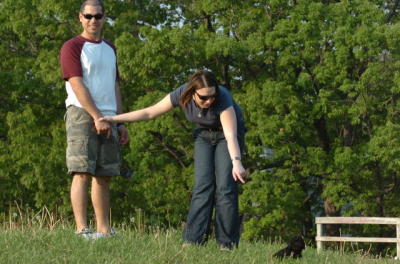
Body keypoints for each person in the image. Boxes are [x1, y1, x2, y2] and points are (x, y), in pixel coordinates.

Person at [101, 70, 246, 249]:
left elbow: (231, 134)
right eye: (203, 98)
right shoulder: (181, 94)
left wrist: (236, 163)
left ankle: (226, 244)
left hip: (227, 138)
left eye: (212, 96)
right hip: (203, 136)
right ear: (192, 92)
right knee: (202, 186)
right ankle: (193, 240)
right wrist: (113, 119)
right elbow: (149, 112)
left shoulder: (222, 98)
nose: (209, 101)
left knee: (225, 188)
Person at [59, 0, 128, 238]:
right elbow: (76, 84)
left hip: (109, 117)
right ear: (80, 17)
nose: (93, 21)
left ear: (104, 17)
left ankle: (104, 230)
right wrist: (96, 115)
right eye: (88, 16)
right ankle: (81, 229)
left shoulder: (110, 48)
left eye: (97, 16)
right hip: (82, 114)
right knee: (81, 171)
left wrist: (119, 121)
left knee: (104, 174)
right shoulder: (72, 46)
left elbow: (115, 85)